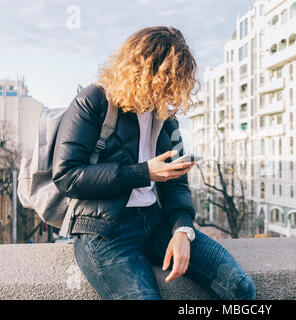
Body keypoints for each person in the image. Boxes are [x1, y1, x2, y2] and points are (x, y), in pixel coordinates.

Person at [52, 26, 255, 300]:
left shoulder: (165, 116)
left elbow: (177, 183)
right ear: (143, 72)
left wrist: (182, 230)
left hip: (157, 223)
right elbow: (67, 176)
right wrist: (144, 173)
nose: (170, 92)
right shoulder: (92, 101)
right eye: (166, 81)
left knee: (240, 288)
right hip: (104, 232)